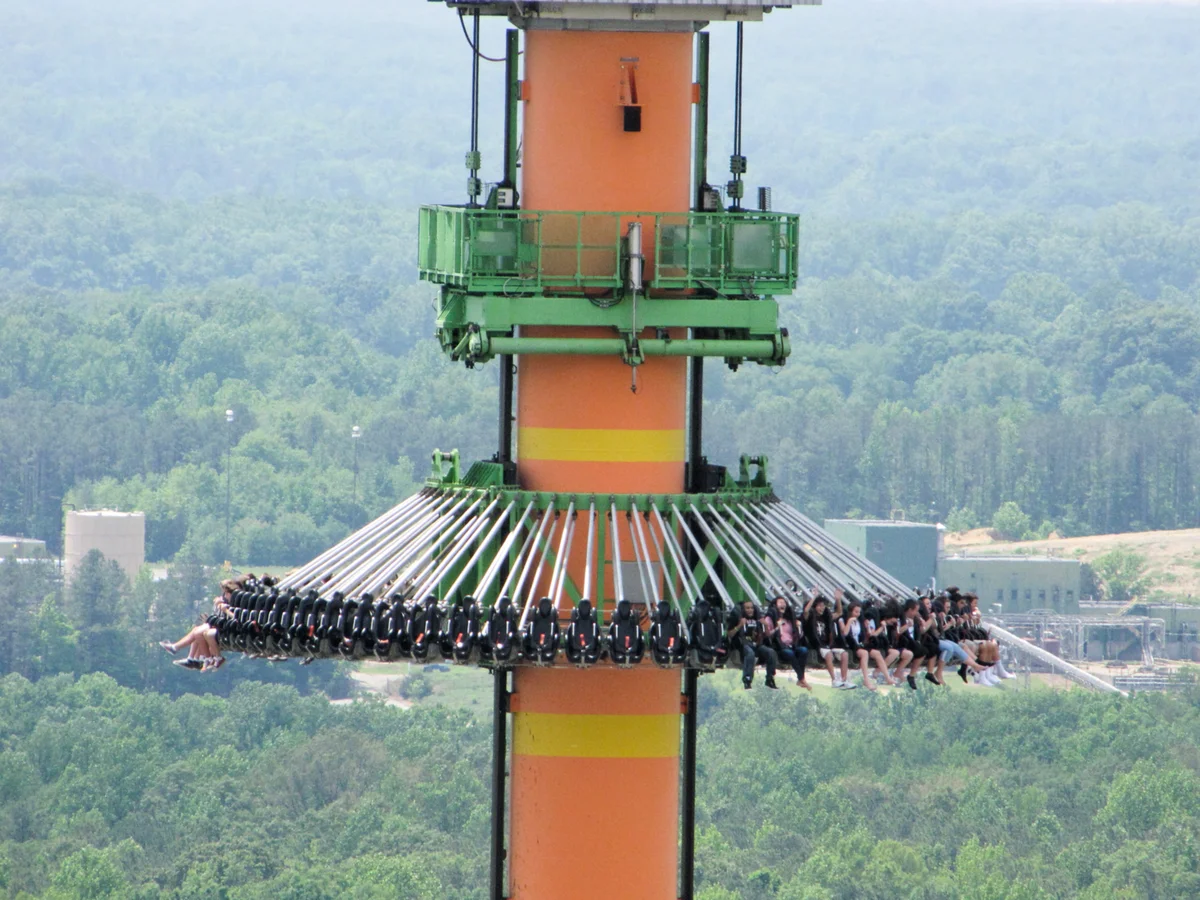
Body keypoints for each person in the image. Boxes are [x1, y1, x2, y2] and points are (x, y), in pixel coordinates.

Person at [803, 589, 850, 688]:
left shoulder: (826, 617)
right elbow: (806, 611)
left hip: (829, 644)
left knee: (844, 654)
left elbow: (839, 612)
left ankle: (844, 680)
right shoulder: (810, 617)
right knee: (828, 654)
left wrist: (838, 600)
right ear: (815, 606)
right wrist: (814, 597)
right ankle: (834, 680)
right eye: (820, 606)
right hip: (818, 645)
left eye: (823, 605)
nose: (822, 608)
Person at [729, 600, 778, 690]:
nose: (750, 610)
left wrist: (766, 625)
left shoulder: (758, 619)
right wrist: (739, 625)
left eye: (751, 608)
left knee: (771, 652)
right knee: (750, 653)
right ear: (743, 610)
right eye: (747, 608)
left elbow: (767, 635)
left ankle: (770, 678)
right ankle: (747, 679)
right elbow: (729, 635)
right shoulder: (738, 619)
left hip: (757, 644)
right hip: (743, 645)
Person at [765, 595, 810, 691]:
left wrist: (799, 628)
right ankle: (802, 678)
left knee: (803, 650)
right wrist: (777, 627)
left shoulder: (789, 620)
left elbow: (798, 636)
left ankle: (800, 678)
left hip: (791, 645)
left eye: (784, 602)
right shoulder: (770, 619)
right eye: (780, 603)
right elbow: (767, 635)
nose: (783, 604)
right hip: (780, 647)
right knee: (790, 654)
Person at [838, 600, 877, 691]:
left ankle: (874, 676)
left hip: (858, 644)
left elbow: (866, 635)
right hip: (849, 644)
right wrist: (849, 621)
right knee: (864, 653)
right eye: (856, 612)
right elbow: (845, 633)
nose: (858, 614)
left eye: (859, 612)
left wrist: (867, 627)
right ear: (851, 611)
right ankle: (866, 680)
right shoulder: (842, 619)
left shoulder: (859, 621)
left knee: (872, 652)